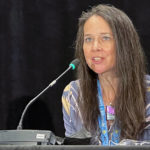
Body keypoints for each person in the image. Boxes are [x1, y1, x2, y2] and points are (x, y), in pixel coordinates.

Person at [61, 4, 150, 145]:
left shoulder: (148, 92)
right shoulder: (74, 94)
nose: (95, 47)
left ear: (124, 44)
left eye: (105, 38)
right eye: (88, 39)